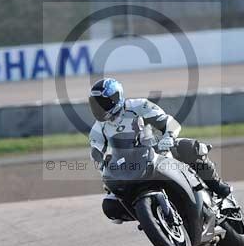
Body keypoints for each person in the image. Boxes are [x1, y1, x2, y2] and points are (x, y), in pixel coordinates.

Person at [88, 78, 232, 221]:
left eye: (103, 103)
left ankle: (218, 187)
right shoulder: (99, 127)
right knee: (111, 205)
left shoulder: (138, 105)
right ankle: (150, 217)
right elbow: (96, 150)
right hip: (130, 167)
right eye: (96, 104)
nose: (99, 108)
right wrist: (103, 167)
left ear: (116, 98)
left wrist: (168, 137)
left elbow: (169, 122)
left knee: (189, 147)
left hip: (158, 151)